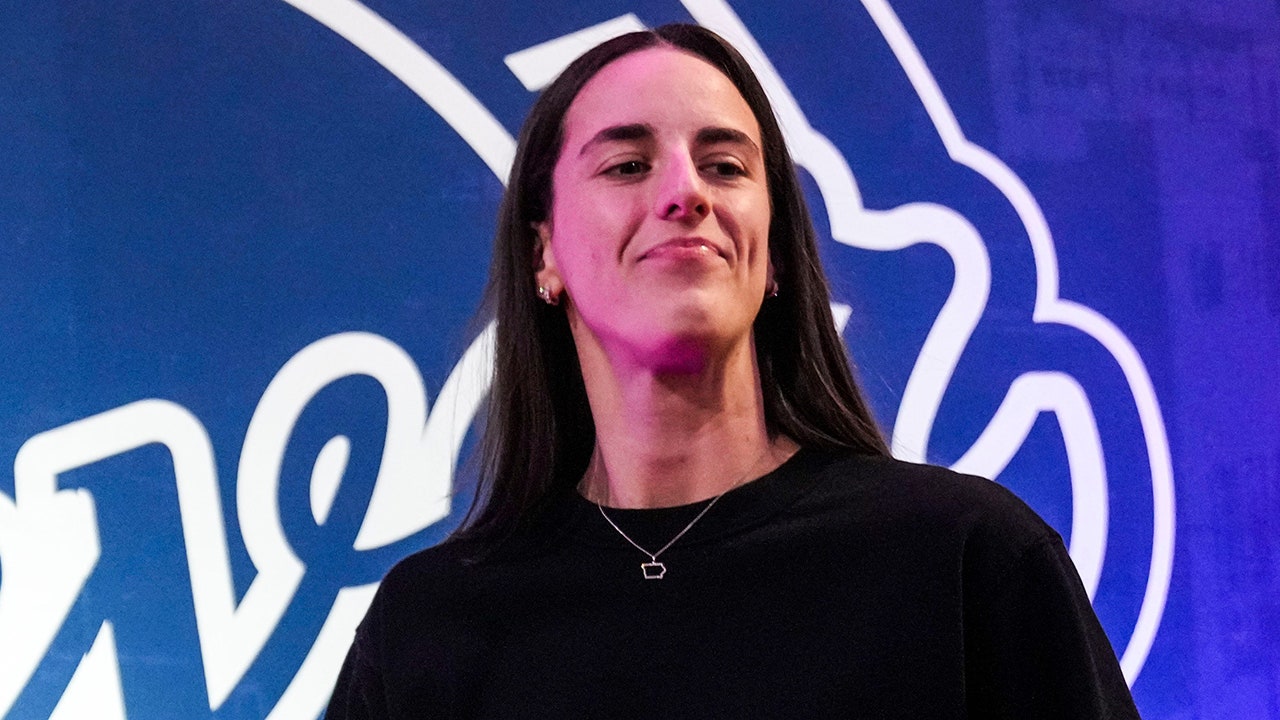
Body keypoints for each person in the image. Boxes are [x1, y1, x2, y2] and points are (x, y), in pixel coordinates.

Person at [325, 23, 1140, 719]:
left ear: (774, 250)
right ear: (544, 253)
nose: (686, 194)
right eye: (628, 165)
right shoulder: (428, 626)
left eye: (725, 166)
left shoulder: (966, 558)